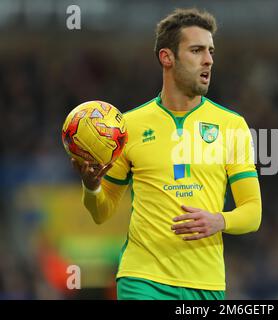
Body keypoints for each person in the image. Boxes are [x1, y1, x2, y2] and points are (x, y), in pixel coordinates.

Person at [72, 8, 262, 300]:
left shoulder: (231, 126)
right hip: (142, 279)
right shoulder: (128, 127)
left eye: (210, 51)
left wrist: (219, 220)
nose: (208, 59)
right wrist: (91, 185)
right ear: (167, 57)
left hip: (206, 284)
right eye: (196, 50)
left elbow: (253, 212)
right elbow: (102, 212)